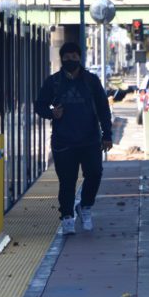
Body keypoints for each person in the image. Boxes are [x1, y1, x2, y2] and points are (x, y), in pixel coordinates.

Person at [34, 42, 113, 234]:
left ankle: (85, 206)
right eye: (66, 58)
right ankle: (67, 217)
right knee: (67, 181)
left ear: (80, 58)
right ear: (62, 59)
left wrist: (107, 135)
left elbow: (103, 109)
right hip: (63, 142)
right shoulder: (53, 82)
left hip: (90, 140)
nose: (70, 60)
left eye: (74, 57)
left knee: (94, 174)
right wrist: (52, 113)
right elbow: (39, 106)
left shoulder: (91, 81)